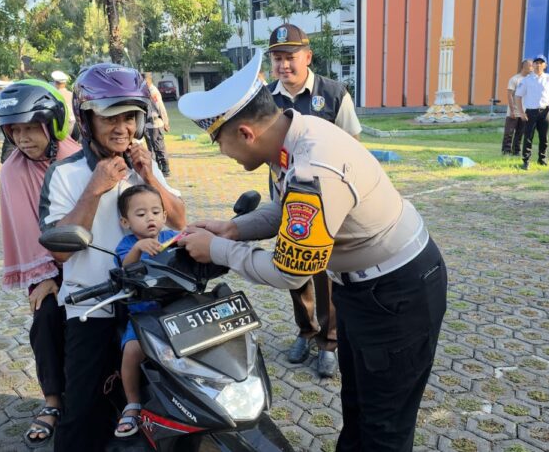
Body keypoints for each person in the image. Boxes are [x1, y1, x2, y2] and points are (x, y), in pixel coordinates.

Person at [177, 50, 447, 452]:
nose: (223, 154)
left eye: (220, 142)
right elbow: (287, 206)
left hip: (397, 296)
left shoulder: (312, 166)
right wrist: (233, 229)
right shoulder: (295, 135)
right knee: (358, 407)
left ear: (246, 133)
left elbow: (290, 271)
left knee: (384, 428)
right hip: (365, 290)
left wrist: (218, 250)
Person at [38, 63, 185, 452]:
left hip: (152, 302)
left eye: (129, 116)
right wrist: (95, 188)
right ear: (86, 119)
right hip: (94, 305)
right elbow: (59, 249)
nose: (122, 127)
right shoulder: (65, 174)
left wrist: (150, 176)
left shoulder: (143, 163)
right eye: (110, 117)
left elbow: (180, 220)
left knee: (167, 401)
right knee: (83, 412)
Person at [266, 23, 363, 376]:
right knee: (294, 266)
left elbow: (353, 145)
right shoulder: (265, 98)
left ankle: (329, 341)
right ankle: (305, 331)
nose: (283, 65)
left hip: (326, 201)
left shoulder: (334, 93)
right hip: (284, 197)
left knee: (326, 270)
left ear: (307, 56)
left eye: (290, 57)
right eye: (277, 58)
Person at [0, 80, 82, 447]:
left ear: (52, 125)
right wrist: (50, 278)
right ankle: (52, 401)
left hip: (89, 258)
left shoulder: (77, 157)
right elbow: (27, 230)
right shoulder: (11, 172)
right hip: (44, 268)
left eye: (32, 127)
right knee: (46, 317)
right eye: (16, 129)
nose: (23, 137)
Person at [113, 184, 179, 437]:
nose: (150, 218)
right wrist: (138, 249)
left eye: (155, 212)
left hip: (176, 307)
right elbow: (123, 270)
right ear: (125, 221)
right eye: (141, 214)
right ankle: (132, 404)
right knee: (131, 351)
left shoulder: (170, 237)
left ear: (164, 215)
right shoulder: (126, 245)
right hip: (145, 314)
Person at [515, 54, 549, 170]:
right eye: (536, 62)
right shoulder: (526, 80)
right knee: (528, 137)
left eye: (541, 63)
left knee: (544, 138)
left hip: (545, 112)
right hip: (531, 112)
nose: (538, 65)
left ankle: (542, 159)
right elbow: (518, 96)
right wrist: (522, 113)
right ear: (532, 65)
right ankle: (526, 161)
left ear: (545, 65)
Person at [501, 59, 532, 155]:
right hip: (514, 111)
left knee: (520, 133)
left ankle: (516, 151)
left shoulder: (531, 80)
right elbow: (509, 95)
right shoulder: (515, 79)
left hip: (525, 112)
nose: (532, 68)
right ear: (524, 66)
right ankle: (506, 151)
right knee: (509, 132)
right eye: (530, 66)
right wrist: (512, 110)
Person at [143, 73, 172, 176]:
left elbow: (161, 108)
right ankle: (156, 170)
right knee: (151, 149)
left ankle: (165, 169)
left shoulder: (153, 92)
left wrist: (166, 122)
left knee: (159, 147)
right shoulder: (144, 92)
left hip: (155, 124)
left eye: (143, 81)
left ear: (148, 81)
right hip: (147, 124)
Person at [51, 70, 77, 135]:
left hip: (61, 130)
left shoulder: (54, 96)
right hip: (75, 128)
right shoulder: (71, 94)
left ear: (55, 83)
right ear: (65, 83)